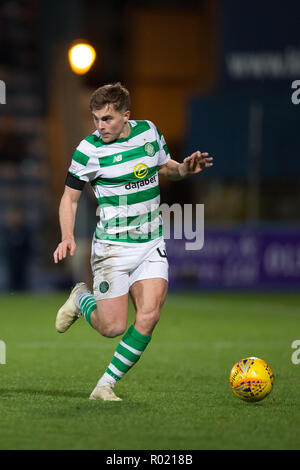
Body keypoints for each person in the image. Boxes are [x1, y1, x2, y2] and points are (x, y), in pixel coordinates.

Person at [53, 82, 213, 401]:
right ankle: (81, 299)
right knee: (111, 327)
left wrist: (183, 168)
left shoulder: (148, 132)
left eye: (107, 119)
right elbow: (69, 199)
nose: (100, 126)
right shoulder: (88, 150)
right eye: (96, 118)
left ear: (126, 115)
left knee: (150, 315)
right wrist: (67, 236)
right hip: (112, 249)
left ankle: (105, 385)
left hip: (150, 243)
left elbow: (165, 166)